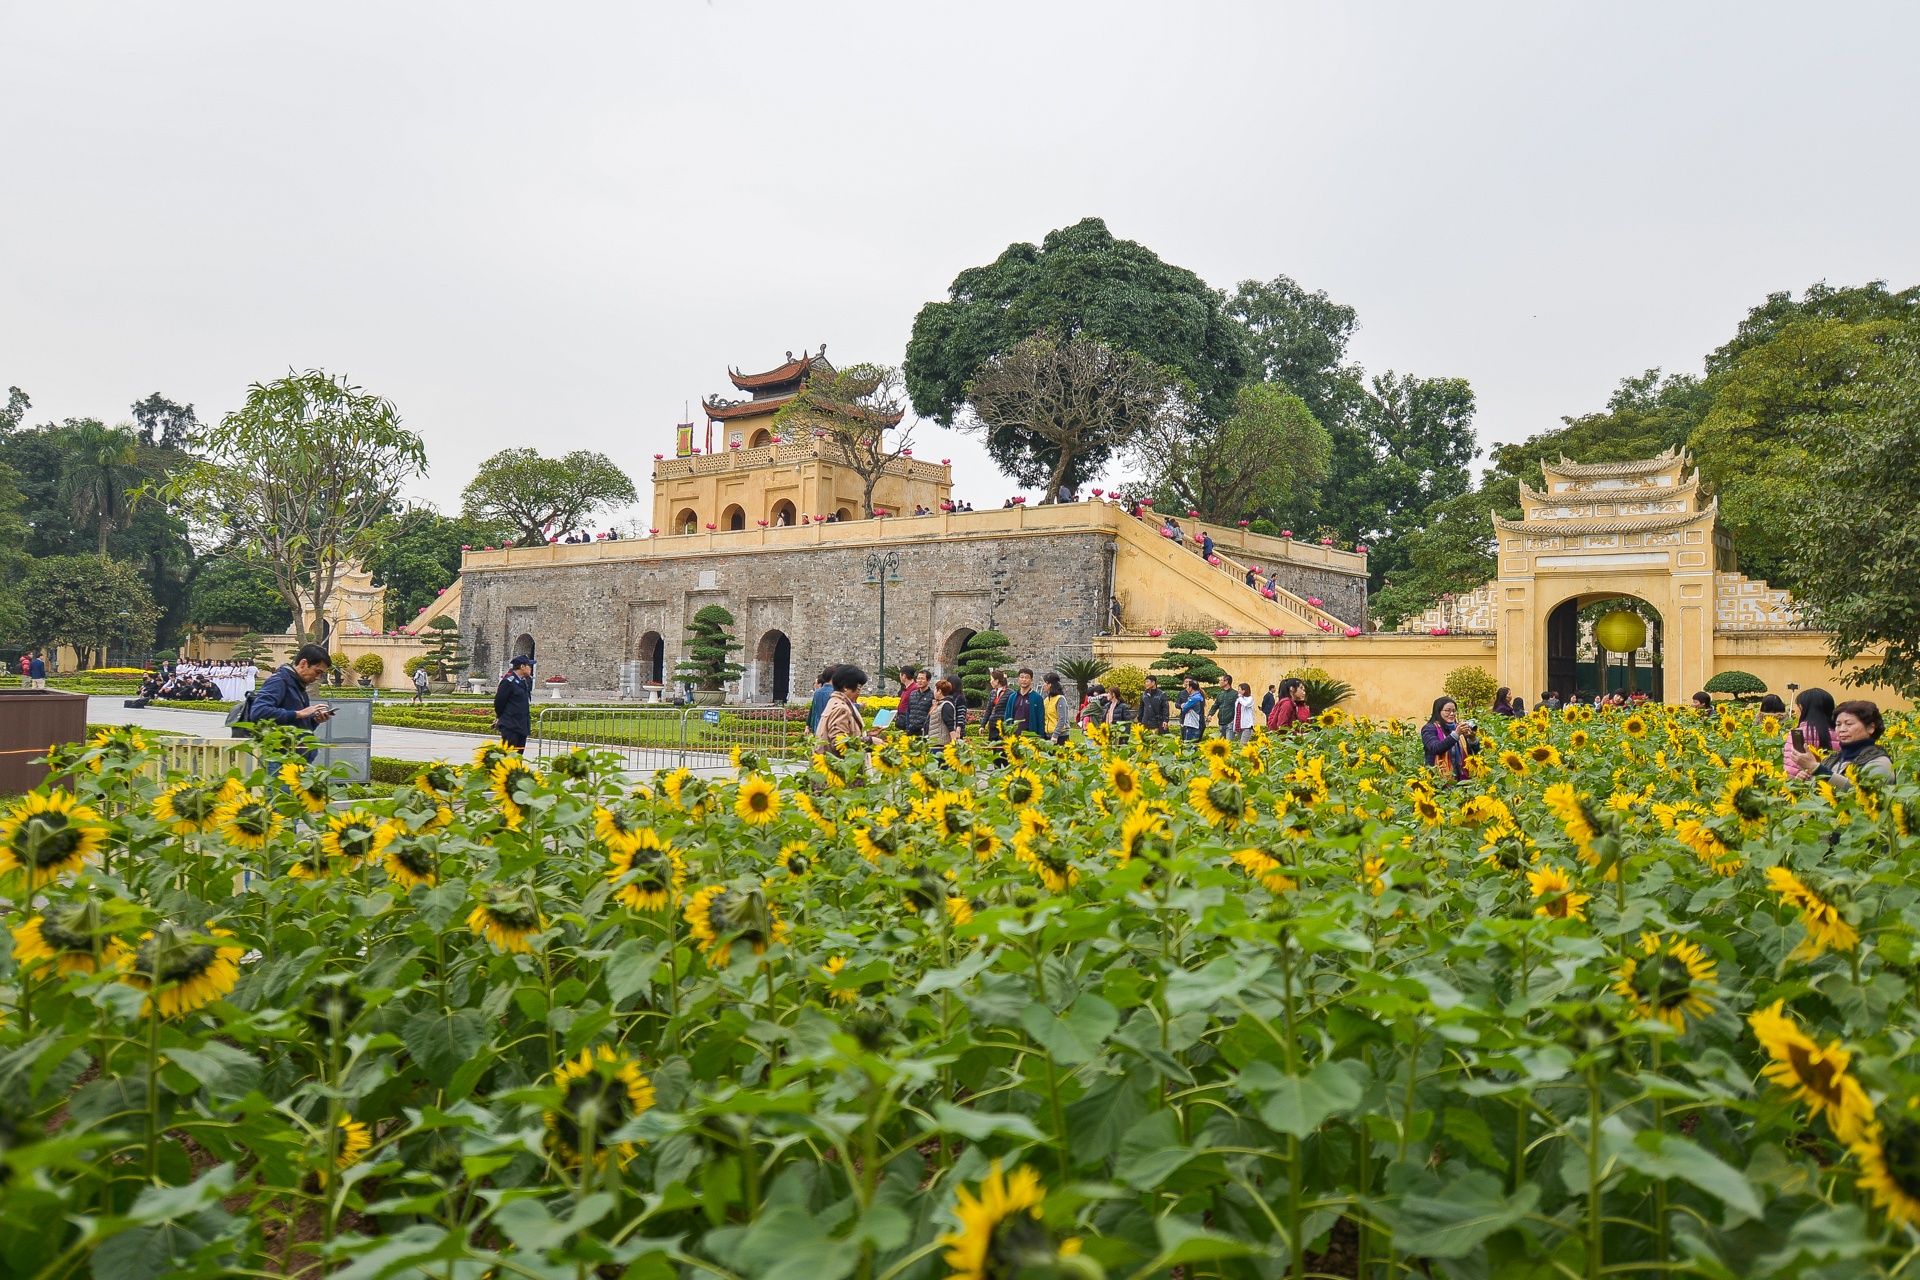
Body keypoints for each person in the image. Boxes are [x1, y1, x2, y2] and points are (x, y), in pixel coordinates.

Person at [243, 643, 335, 755]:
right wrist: (298, 714)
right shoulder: (279, 681)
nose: (318, 677)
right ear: (303, 663)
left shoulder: (298, 685)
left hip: (295, 758)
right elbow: (258, 712)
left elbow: (297, 725)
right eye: (317, 672)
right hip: (280, 758)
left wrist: (314, 720)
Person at [1788, 700, 1892, 793]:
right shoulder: (1833, 759)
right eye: (1838, 725)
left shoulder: (1879, 762)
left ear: (1871, 728)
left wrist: (1816, 768)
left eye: (1849, 724)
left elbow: (1865, 795)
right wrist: (1806, 782)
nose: (1842, 729)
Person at [816, 665, 884, 753]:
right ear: (845, 687)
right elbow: (839, 742)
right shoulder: (841, 709)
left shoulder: (834, 701)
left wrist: (866, 733)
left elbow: (846, 733)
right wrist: (870, 741)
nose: (859, 693)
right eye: (858, 688)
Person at [1421, 696, 1477, 784]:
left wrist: (1472, 739)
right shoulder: (1429, 728)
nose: (1452, 714)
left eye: (1454, 711)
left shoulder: (1458, 728)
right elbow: (1436, 748)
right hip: (1438, 781)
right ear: (1438, 712)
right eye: (1447, 710)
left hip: (1461, 780)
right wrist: (1456, 734)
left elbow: (1472, 754)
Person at [1784, 687, 1837, 779]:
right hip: (1832, 783)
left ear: (1803, 709)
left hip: (1804, 782)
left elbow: (1791, 769)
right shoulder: (1839, 733)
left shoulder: (1797, 734)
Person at [494, 655, 534, 749]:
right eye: (529, 665)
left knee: (518, 755)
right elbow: (499, 702)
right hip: (510, 725)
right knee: (508, 754)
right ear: (522, 667)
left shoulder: (523, 681)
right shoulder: (508, 681)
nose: (530, 668)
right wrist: (500, 716)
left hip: (522, 725)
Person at [1002, 668, 1044, 737]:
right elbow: (1007, 716)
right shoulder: (1012, 697)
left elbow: (1040, 719)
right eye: (1022, 677)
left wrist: (1040, 736)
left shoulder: (1037, 698)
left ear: (1031, 680)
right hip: (1014, 736)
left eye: (1027, 677)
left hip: (1030, 736)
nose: (1024, 680)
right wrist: (1005, 733)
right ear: (1018, 679)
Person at [928, 678, 962, 746]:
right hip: (934, 742)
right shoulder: (937, 704)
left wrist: (954, 743)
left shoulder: (946, 705)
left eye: (935, 689)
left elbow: (950, 726)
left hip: (941, 743)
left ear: (939, 691)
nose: (934, 692)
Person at [903, 669, 934, 737]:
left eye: (922, 679)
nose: (920, 681)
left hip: (923, 731)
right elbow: (908, 711)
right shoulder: (913, 694)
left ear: (928, 680)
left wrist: (926, 728)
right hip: (911, 729)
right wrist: (907, 726)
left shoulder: (932, 695)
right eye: (918, 678)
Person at [1042, 673, 1071, 744]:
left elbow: (1062, 718)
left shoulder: (1060, 699)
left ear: (1049, 684)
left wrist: (1055, 735)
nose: (1043, 685)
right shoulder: (1046, 700)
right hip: (1048, 735)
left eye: (1045, 683)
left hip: (1060, 736)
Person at [807, 666, 838, 734]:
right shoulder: (835, 692)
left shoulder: (817, 693)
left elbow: (813, 710)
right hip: (831, 728)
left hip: (817, 727)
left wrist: (808, 725)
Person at [1178, 678, 1208, 743]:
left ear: (1191, 688)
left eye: (1188, 686)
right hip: (1196, 726)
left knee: (1190, 747)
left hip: (1193, 726)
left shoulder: (1194, 698)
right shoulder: (1198, 696)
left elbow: (1184, 708)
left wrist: (1184, 705)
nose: (1186, 688)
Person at [985, 670, 1010, 743]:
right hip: (993, 726)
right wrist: (982, 725)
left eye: (991, 679)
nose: (990, 682)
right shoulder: (992, 693)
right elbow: (988, 710)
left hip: (1003, 726)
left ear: (997, 681)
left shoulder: (1010, 693)